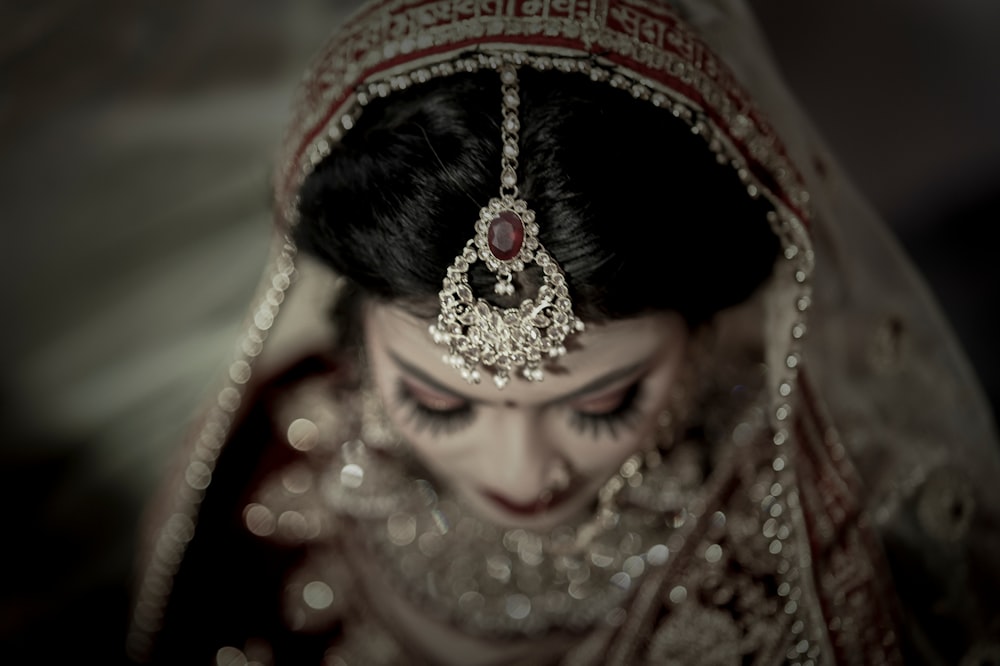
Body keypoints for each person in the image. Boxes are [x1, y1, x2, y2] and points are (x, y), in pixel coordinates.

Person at [125, 0, 1000, 663]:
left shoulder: (820, 536)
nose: (523, 473)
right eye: (436, 401)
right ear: (351, 326)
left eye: (603, 404)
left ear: (707, 326)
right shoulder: (265, 473)